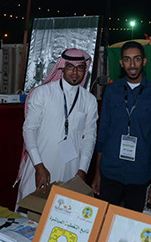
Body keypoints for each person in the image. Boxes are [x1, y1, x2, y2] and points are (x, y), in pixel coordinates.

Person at [16, 48, 98, 202]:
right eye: (70, 67)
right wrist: (38, 166)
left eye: (80, 67)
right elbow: (29, 130)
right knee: (30, 208)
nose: (75, 72)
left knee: (62, 210)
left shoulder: (89, 100)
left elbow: (89, 137)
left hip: (71, 168)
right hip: (40, 163)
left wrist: (82, 170)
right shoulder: (42, 93)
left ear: (85, 70)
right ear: (62, 67)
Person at [92, 41, 151, 211]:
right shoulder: (111, 90)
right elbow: (103, 133)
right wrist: (98, 173)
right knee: (105, 219)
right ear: (121, 63)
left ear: (144, 61)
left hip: (140, 173)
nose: (132, 65)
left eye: (137, 59)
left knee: (132, 222)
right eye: (127, 60)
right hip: (110, 170)